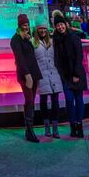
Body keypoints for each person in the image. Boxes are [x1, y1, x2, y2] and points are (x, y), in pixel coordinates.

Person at [53, 12, 86, 137]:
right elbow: (56, 58)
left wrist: (76, 74)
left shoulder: (73, 37)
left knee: (78, 100)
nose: (60, 27)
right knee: (69, 100)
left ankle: (79, 125)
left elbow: (79, 56)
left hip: (77, 74)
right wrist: (61, 73)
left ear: (65, 24)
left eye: (61, 24)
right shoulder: (56, 39)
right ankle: (72, 125)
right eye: (58, 25)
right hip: (65, 76)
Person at [10, 13, 42, 142]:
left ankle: (29, 129)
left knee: (31, 101)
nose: (26, 27)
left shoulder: (28, 39)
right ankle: (29, 131)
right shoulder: (15, 39)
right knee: (29, 101)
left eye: (28, 24)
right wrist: (27, 75)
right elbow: (20, 59)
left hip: (34, 73)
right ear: (19, 26)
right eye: (24, 25)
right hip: (25, 75)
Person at [32, 18, 64, 139]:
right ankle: (47, 127)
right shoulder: (33, 43)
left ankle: (55, 127)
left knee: (55, 101)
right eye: (40, 28)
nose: (43, 30)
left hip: (54, 74)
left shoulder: (52, 41)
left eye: (44, 28)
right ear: (37, 29)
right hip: (41, 76)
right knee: (44, 102)